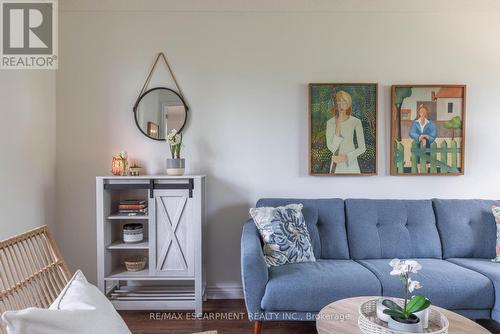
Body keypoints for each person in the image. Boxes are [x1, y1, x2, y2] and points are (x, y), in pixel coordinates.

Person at [325, 90, 366, 174]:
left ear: (348, 103)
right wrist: (338, 123)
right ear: (336, 104)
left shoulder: (356, 121)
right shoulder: (330, 122)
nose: (341, 104)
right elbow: (332, 148)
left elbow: (362, 148)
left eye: (344, 101)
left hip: (351, 164)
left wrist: (346, 157)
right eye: (339, 101)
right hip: (336, 165)